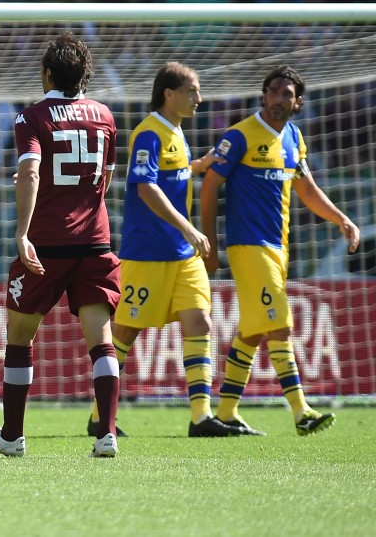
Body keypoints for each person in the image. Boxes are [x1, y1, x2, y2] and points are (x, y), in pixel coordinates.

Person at [0, 31, 121, 459]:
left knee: (19, 339)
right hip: (95, 240)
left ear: (49, 72)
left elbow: (33, 172)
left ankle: (13, 437)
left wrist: (22, 232)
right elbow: (102, 180)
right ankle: (106, 433)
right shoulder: (105, 115)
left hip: (48, 244)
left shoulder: (31, 117)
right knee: (101, 339)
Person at [86, 62, 243, 438]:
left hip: (181, 255)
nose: (199, 99)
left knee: (200, 321)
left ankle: (201, 417)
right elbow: (146, 187)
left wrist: (196, 165)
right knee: (125, 330)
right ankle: (97, 416)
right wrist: (189, 228)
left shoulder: (175, 131)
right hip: (148, 252)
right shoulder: (148, 133)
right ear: (169, 93)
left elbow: (169, 174)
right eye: (192, 90)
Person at [201, 65, 359, 436]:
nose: (278, 99)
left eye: (286, 94)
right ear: (263, 96)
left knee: (253, 332)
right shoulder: (239, 136)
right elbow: (209, 186)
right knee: (281, 327)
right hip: (248, 246)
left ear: (298, 102)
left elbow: (306, 190)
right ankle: (301, 411)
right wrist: (209, 241)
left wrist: (341, 218)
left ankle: (225, 411)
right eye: (273, 91)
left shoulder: (294, 138)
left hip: (278, 248)